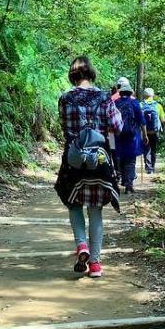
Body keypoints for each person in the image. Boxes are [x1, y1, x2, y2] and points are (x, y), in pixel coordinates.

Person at [54, 57, 122, 278]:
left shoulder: (65, 99)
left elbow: (65, 128)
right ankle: (95, 264)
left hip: (73, 161)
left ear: (73, 75)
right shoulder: (104, 98)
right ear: (91, 73)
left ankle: (81, 245)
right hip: (99, 161)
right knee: (96, 210)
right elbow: (117, 126)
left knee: (74, 204)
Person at [114, 76, 146, 193]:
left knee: (121, 158)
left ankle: (123, 179)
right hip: (133, 136)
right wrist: (145, 135)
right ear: (130, 92)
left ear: (120, 92)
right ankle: (129, 185)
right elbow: (142, 121)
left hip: (119, 135)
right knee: (131, 160)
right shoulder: (135, 103)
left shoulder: (115, 102)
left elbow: (110, 120)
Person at [140, 87, 165, 173]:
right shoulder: (158, 105)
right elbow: (163, 120)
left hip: (144, 131)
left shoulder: (141, 105)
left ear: (144, 95)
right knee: (153, 149)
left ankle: (148, 168)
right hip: (154, 131)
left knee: (146, 149)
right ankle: (153, 167)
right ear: (152, 95)